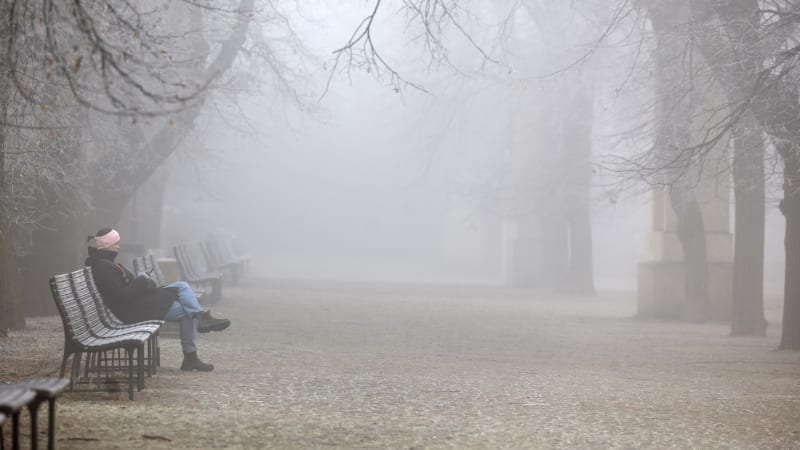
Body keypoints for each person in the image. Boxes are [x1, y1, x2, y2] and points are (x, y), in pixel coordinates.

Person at [85, 227, 230, 372]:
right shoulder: (103, 269)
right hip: (134, 311)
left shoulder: (108, 265)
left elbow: (132, 284)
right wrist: (142, 281)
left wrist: (143, 281)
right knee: (187, 312)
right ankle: (192, 353)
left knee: (182, 286)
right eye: (115, 243)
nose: (118, 247)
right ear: (106, 245)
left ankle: (201, 319)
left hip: (140, 303)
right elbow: (122, 297)